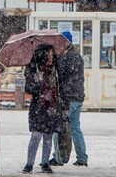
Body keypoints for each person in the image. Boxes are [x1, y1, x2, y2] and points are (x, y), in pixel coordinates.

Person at [21, 45, 62, 174]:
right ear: (42, 55)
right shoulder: (33, 69)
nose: (51, 57)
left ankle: (45, 163)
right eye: (48, 55)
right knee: (36, 135)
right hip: (37, 106)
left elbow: (60, 87)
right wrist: (39, 86)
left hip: (51, 107)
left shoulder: (55, 68)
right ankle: (29, 164)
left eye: (52, 54)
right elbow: (28, 88)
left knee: (48, 136)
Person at [57, 31, 88, 167]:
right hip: (78, 97)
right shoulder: (78, 57)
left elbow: (60, 77)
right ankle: (82, 157)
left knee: (58, 127)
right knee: (75, 127)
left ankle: (57, 157)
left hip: (68, 98)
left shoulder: (65, 58)